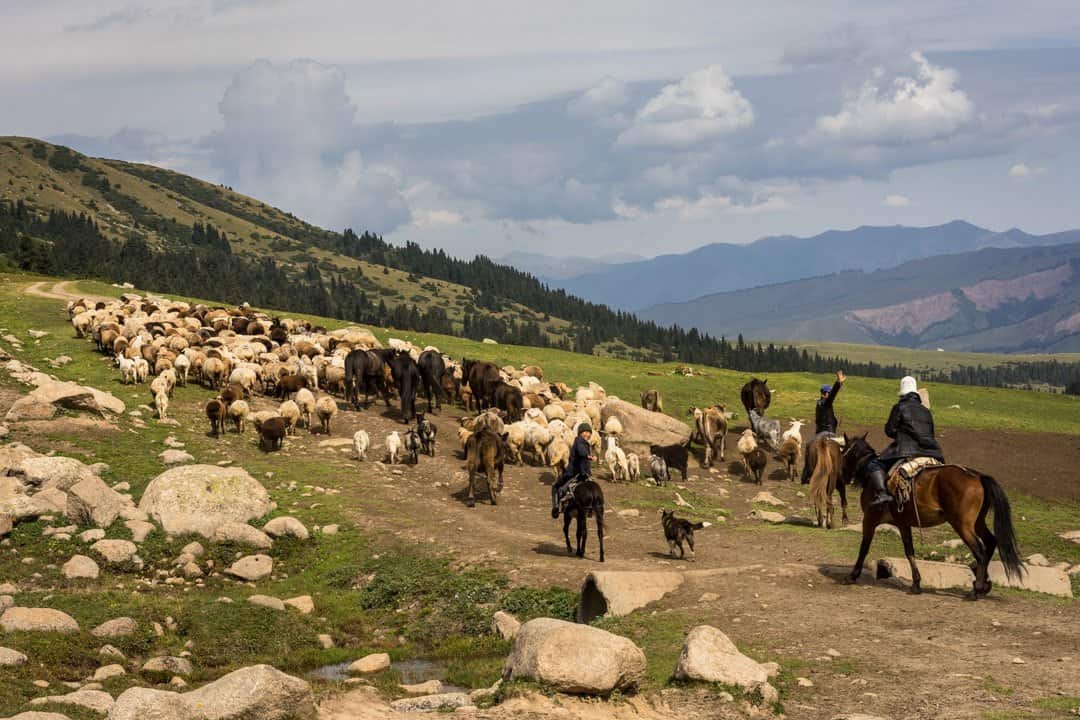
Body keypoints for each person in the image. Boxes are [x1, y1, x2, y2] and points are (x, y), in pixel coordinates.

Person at [864, 376, 944, 508]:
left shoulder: (899, 407)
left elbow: (889, 430)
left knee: (874, 465)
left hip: (906, 450)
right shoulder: (926, 411)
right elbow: (931, 433)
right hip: (933, 451)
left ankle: (883, 494)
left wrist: (899, 433)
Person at [800, 370, 845, 484]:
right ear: (825, 393)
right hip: (829, 433)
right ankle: (844, 473)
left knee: (809, 445)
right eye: (829, 393)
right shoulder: (825, 403)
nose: (829, 395)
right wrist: (838, 383)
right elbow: (832, 398)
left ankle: (807, 475)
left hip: (819, 433)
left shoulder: (819, 404)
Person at [551, 423, 595, 518]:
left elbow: (581, 452)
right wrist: (588, 456)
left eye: (589, 432)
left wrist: (587, 456)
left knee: (555, 487)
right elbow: (581, 452)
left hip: (573, 473)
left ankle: (556, 507)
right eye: (585, 432)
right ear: (580, 433)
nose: (587, 434)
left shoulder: (579, 441)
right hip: (584, 473)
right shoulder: (582, 442)